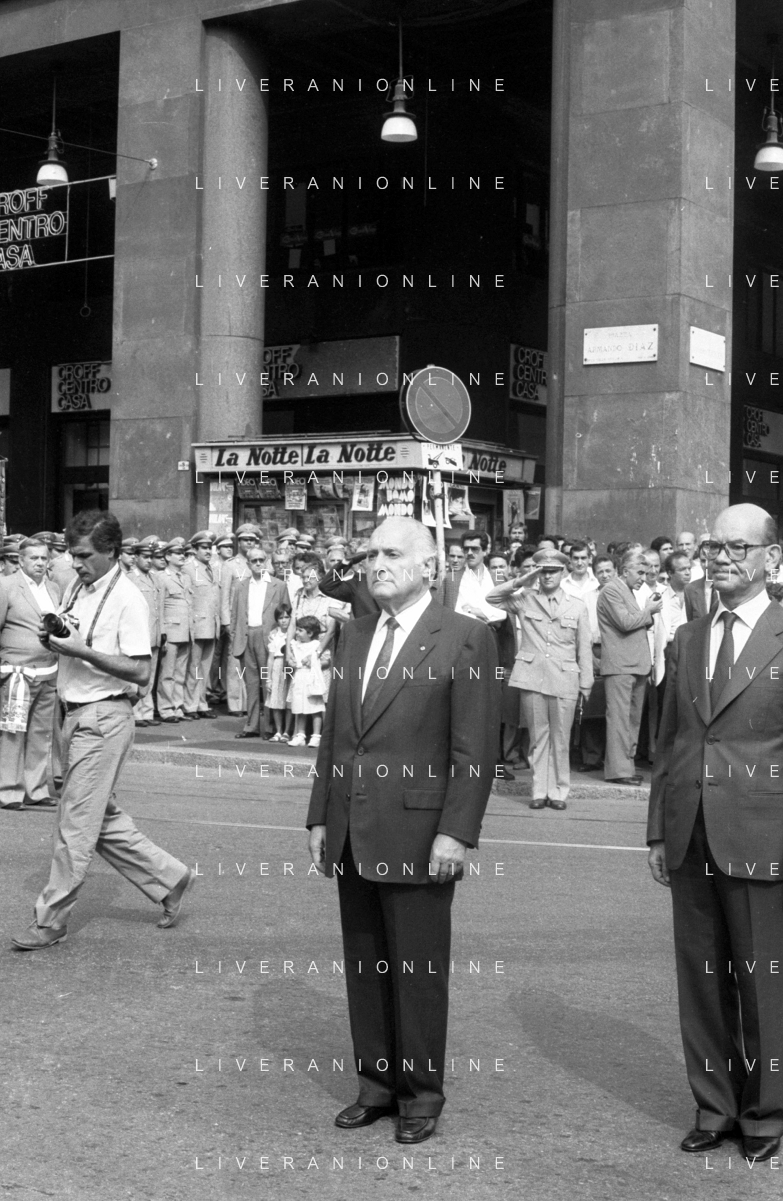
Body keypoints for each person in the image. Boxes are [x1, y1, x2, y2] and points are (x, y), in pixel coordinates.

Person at [306, 517, 500, 1144]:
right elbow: (336, 734)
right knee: (365, 964)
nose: (376, 564)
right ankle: (376, 1085)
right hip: (351, 826)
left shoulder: (465, 637)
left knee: (417, 971)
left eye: (392, 553)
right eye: (370, 554)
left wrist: (457, 832)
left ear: (429, 567)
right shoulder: (356, 633)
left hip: (420, 831)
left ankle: (420, 1094)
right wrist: (319, 815)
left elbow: (475, 750)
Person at [648, 503, 783, 1163]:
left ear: (770, 558)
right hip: (689, 833)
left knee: (762, 983)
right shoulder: (688, 636)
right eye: (713, 547)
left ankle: (765, 1112)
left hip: (762, 831)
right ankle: (714, 1106)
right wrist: (657, 829)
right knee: (701, 981)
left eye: (738, 547)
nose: (722, 557)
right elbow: (670, 740)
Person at [11, 510, 193, 951]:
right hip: (72, 714)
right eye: (72, 555)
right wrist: (57, 640)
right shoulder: (80, 585)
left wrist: (82, 650)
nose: (74, 564)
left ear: (111, 551)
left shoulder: (129, 598)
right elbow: (76, 637)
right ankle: (170, 878)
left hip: (104, 718)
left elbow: (141, 672)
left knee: (74, 824)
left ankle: (50, 921)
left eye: (83, 556)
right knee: (98, 817)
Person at [487, 548, 593, 809]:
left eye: (553, 571)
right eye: (543, 571)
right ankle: (538, 791)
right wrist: (522, 580)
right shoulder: (525, 599)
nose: (547, 576)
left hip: (565, 678)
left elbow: (584, 647)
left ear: (563, 572)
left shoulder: (577, 605)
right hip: (532, 676)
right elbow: (492, 598)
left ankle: (558, 792)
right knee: (537, 737)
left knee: (561, 738)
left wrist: (586, 683)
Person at [0, 538, 60, 809]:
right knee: (13, 732)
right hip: (17, 673)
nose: (39, 563)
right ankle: (9, 791)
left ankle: (35, 789)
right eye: (33, 558)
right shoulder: (6, 586)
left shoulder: (54, 588)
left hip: (49, 671)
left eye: (44, 558)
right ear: (21, 560)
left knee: (41, 733)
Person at [597, 549, 662, 784]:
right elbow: (625, 622)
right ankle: (618, 771)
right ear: (625, 571)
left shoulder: (628, 591)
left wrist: (646, 612)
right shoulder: (611, 590)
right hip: (620, 666)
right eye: (640, 572)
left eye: (646, 572)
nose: (644, 577)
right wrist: (649, 611)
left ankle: (627, 765)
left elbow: (635, 623)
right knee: (619, 719)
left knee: (632, 719)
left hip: (635, 665)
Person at [230, 545, 286, 739]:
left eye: (261, 560)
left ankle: (270, 727)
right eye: (254, 561)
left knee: (268, 683)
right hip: (247, 637)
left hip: (268, 638)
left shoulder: (278, 585)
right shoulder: (241, 586)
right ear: (248, 564)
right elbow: (235, 615)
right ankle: (251, 725)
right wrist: (234, 640)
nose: (258, 564)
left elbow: (285, 614)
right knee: (251, 684)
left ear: (266, 562)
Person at [183, 530, 220, 719]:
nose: (208, 551)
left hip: (211, 625)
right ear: (195, 549)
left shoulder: (211, 568)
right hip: (197, 626)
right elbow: (187, 599)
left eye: (209, 548)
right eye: (204, 548)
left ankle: (201, 702)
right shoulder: (188, 569)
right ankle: (190, 705)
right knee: (194, 668)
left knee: (205, 668)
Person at [157, 538, 193, 722]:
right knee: (167, 673)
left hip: (186, 630)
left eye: (183, 553)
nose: (182, 556)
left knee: (180, 673)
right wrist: (162, 631)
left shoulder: (186, 577)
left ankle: (177, 707)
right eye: (178, 553)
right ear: (167, 556)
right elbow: (160, 606)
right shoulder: (161, 577)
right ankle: (165, 708)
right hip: (171, 630)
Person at [128, 536, 162, 728]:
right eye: (145, 557)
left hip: (153, 634)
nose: (149, 561)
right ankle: (135, 713)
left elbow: (159, 608)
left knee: (150, 675)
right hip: (139, 635)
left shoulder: (154, 578)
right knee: (137, 675)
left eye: (151, 557)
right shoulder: (130, 578)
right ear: (136, 558)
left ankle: (147, 711)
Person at [286, 614, 326, 747]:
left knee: (315, 708)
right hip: (299, 678)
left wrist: (312, 661)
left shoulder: (316, 645)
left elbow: (326, 660)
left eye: (300, 630)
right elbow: (291, 660)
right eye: (297, 629)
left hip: (312, 679)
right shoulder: (295, 645)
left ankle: (316, 736)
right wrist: (292, 662)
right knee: (299, 708)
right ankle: (300, 735)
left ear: (310, 633)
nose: (296, 633)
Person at [266, 603, 292, 741]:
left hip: (289, 665)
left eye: (287, 617)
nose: (284, 620)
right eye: (281, 618)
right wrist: (268, 679)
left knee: (289, 699)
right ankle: (278, 731)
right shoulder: (274, 635)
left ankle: (287, 731)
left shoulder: (294, 633)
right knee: (276, 700)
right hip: (277, 664)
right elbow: (270, 658)